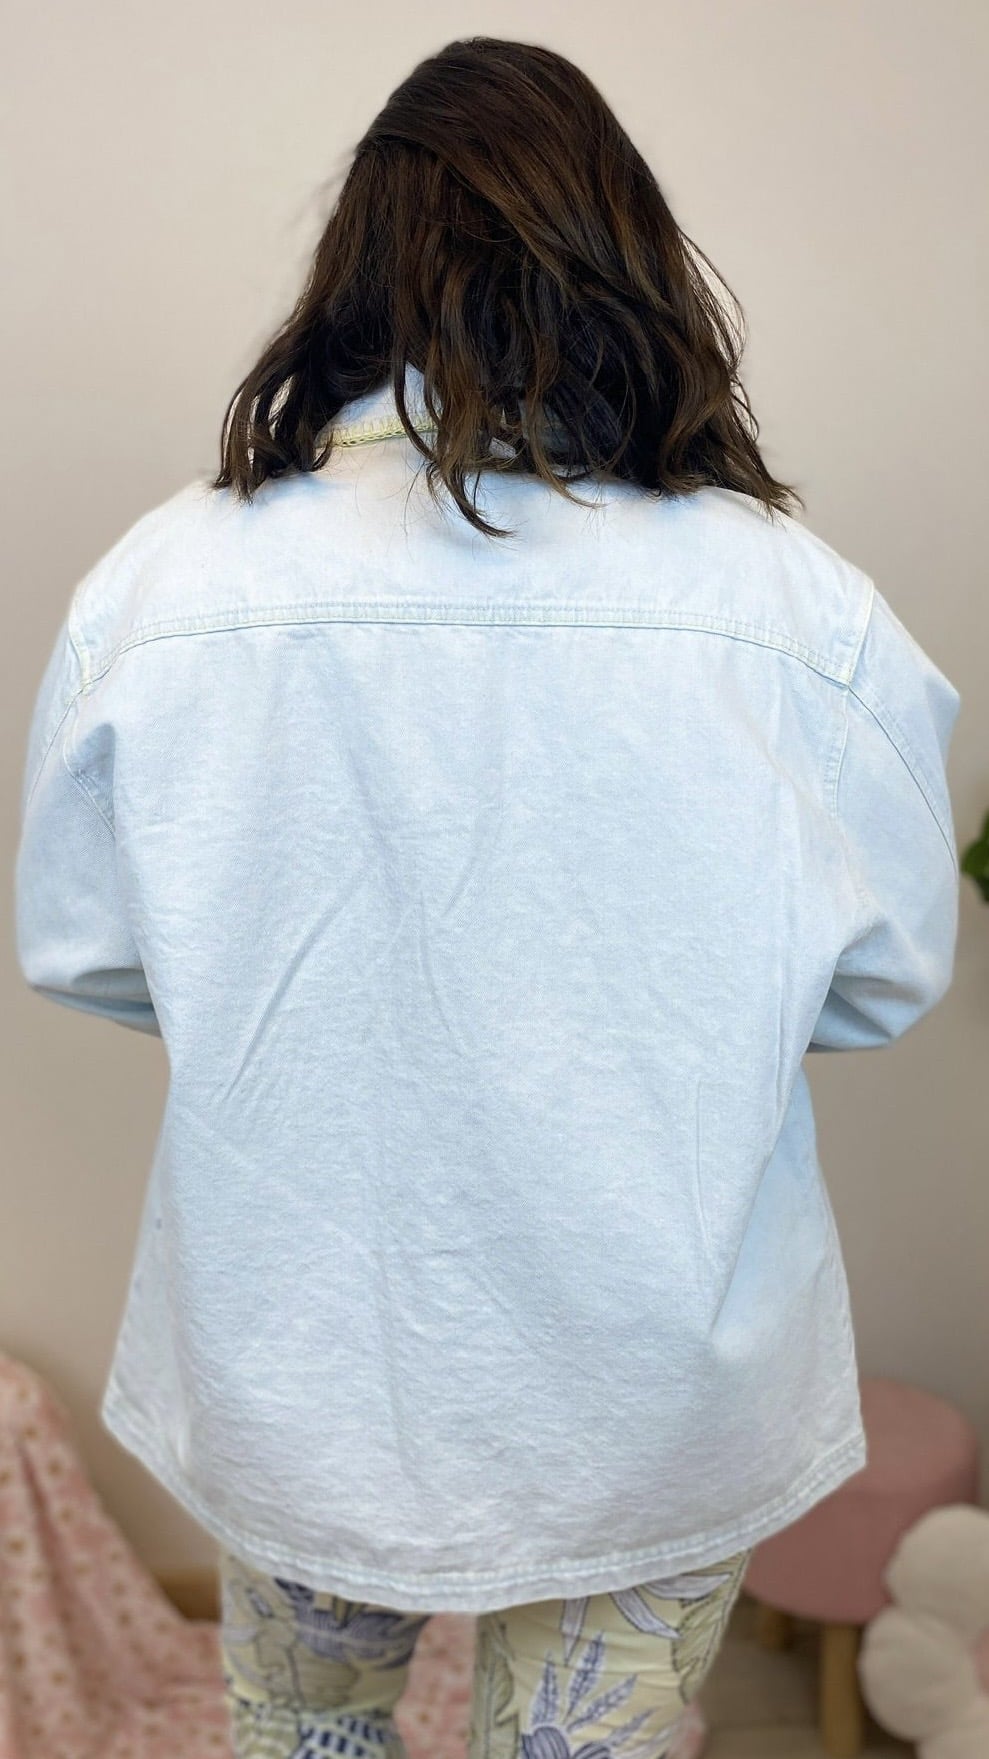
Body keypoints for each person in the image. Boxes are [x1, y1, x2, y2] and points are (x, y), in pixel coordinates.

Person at [14, 34, 961, 1759]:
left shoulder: (166, 582)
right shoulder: (795, 608)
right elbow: (885, 979)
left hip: (301, 1351)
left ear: (353, 270)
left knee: (304, 1733)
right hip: (657, 1378)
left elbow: (83, 950)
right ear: (631, 266)